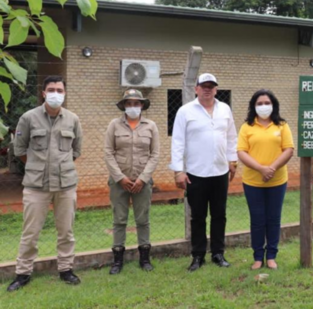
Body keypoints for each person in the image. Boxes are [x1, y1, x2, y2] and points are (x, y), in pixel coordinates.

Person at [7, 76, 83, 292]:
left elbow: (76, 150)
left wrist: (61, 166)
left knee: (66, 231)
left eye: (60, 90)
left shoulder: (73, 119)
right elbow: (20, 150)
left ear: (65, 93)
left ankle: (66, 269)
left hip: (65, 185)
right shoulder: (28, 118)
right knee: (30, 232)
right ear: (43, 92)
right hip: (35, 185)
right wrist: (37, 166)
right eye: (51, 89)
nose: (55, 93)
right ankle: (23, 273)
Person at [170, 73, 238, 271]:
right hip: (195, 173)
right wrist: (178, 171)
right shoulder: (185, 111)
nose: (207, 89)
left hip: (220, 172)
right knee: (198, 217)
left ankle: (218, 253)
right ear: (196, 89)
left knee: (219, 215)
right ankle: (198, 255)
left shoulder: (224, 109)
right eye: (204, 85)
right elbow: (177, 142)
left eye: (211, 86)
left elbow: (231, 137)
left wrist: (232, 160)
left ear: (216, 89)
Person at [104, 89, 160, 274]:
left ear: (142, 105)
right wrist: (120, 178)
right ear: (124, 106)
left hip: (142, 182)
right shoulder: (114, 125)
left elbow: (155, 155)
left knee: (142, 219)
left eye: (136, 103)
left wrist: (143, 179)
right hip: (119, 181)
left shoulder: (151, 126)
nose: (133, 107)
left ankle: (144, 258)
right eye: (129, 103)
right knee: (119, 220)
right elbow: (108, 153)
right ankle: (117, 260)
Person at [237, 89, 294, 270]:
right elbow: (241, 152)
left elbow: (289, 149)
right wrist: (261, 169)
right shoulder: (247, 126)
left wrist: (272, 168)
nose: (263, 107)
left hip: (277, 181)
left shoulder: (282, 125)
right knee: (257, 219)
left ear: (274, 105)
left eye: (267, 103)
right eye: (259, 103)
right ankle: (257, 257)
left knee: (273, 218)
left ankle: (271, 256)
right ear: (253, 106)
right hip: (253, 182)